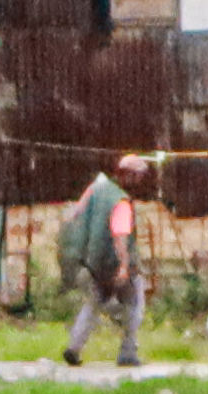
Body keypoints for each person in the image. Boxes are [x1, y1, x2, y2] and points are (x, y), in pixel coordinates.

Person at [60, 154, 152, 367]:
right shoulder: (121, 202)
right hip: (115, 263)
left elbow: (74, 214)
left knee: (93, 303)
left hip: (94, 262)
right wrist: (123, 266)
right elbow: (120, 237)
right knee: (134, 303)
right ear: (130, 176)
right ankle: (128, 352)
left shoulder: (96, 188)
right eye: (138, 177)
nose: (140, 181)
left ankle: (74, 347)